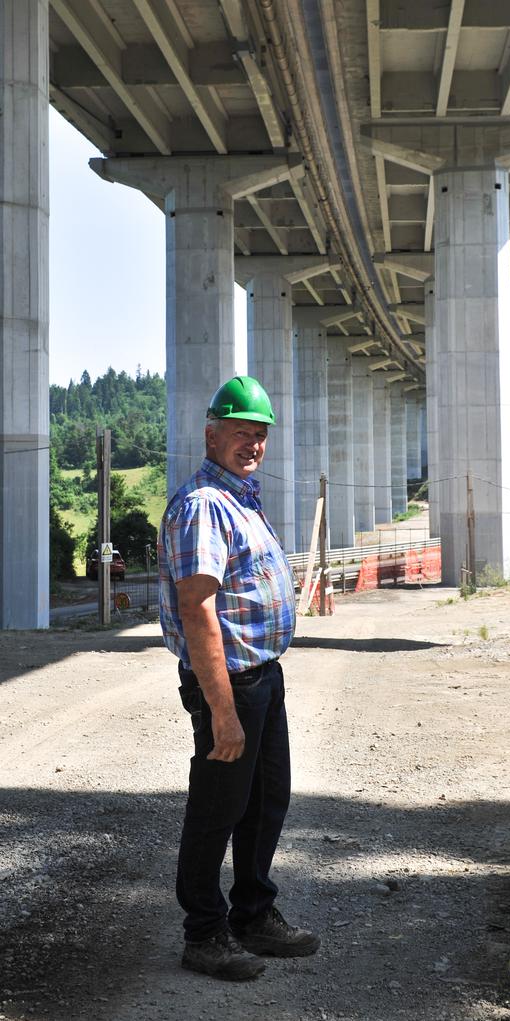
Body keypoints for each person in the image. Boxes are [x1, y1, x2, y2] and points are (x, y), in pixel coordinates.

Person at [158, 375, 320, 981]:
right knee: (218, 809)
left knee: (264, 804)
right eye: (240, 432)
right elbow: (197, 609)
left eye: (259, 434)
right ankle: (204, 933)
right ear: (211, 434)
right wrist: (221, 710)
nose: (251, 444)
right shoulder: (203, 504)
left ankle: (254, 914)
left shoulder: (242, 496)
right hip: (231, 683)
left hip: (263, 677)